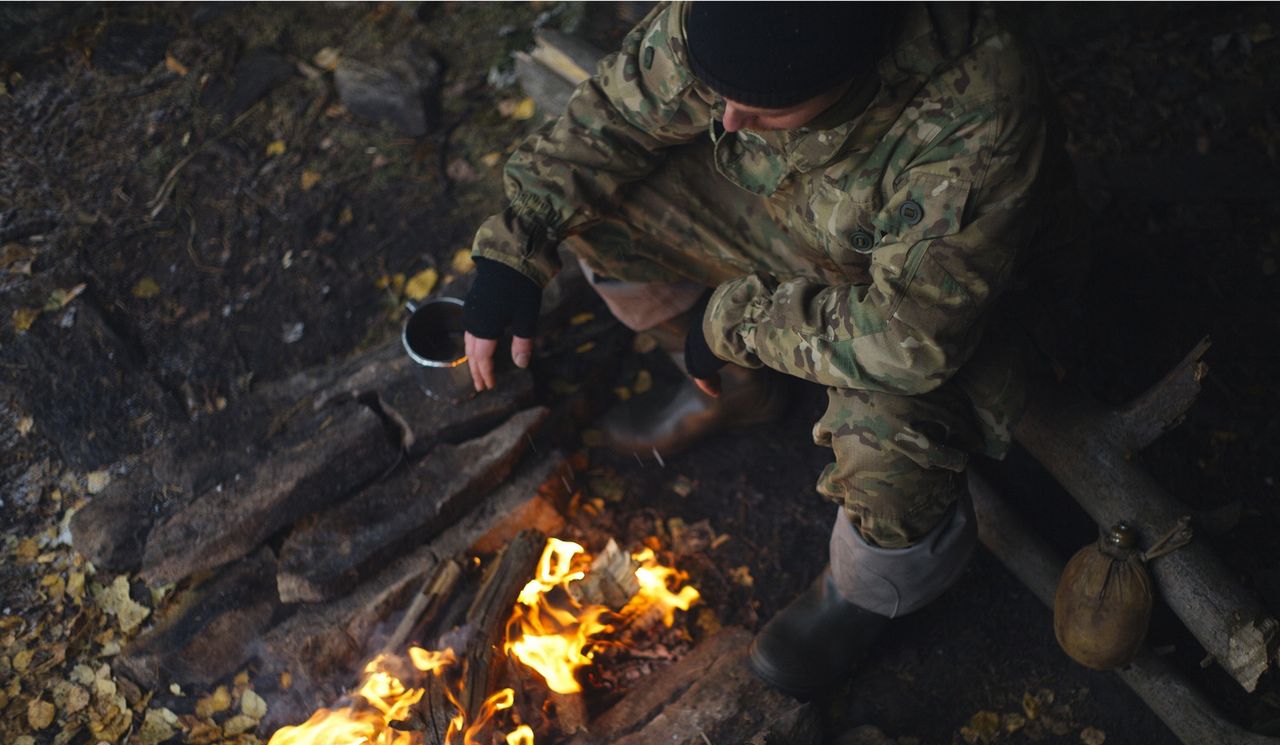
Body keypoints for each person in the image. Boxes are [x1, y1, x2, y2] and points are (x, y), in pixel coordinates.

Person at [462, 2, 1086, 698]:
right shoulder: (739, 20)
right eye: (720, 91)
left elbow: (911, 343)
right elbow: (620, 108)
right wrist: (513, 247)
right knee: (597, 210)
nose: (727, 120)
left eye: (762, 106)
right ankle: (734, 394)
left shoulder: (978, 119)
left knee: (892, 444)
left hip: (945, 298)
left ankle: (867, 590)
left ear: (851, 74)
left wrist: (728, 324)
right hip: (797, 210)